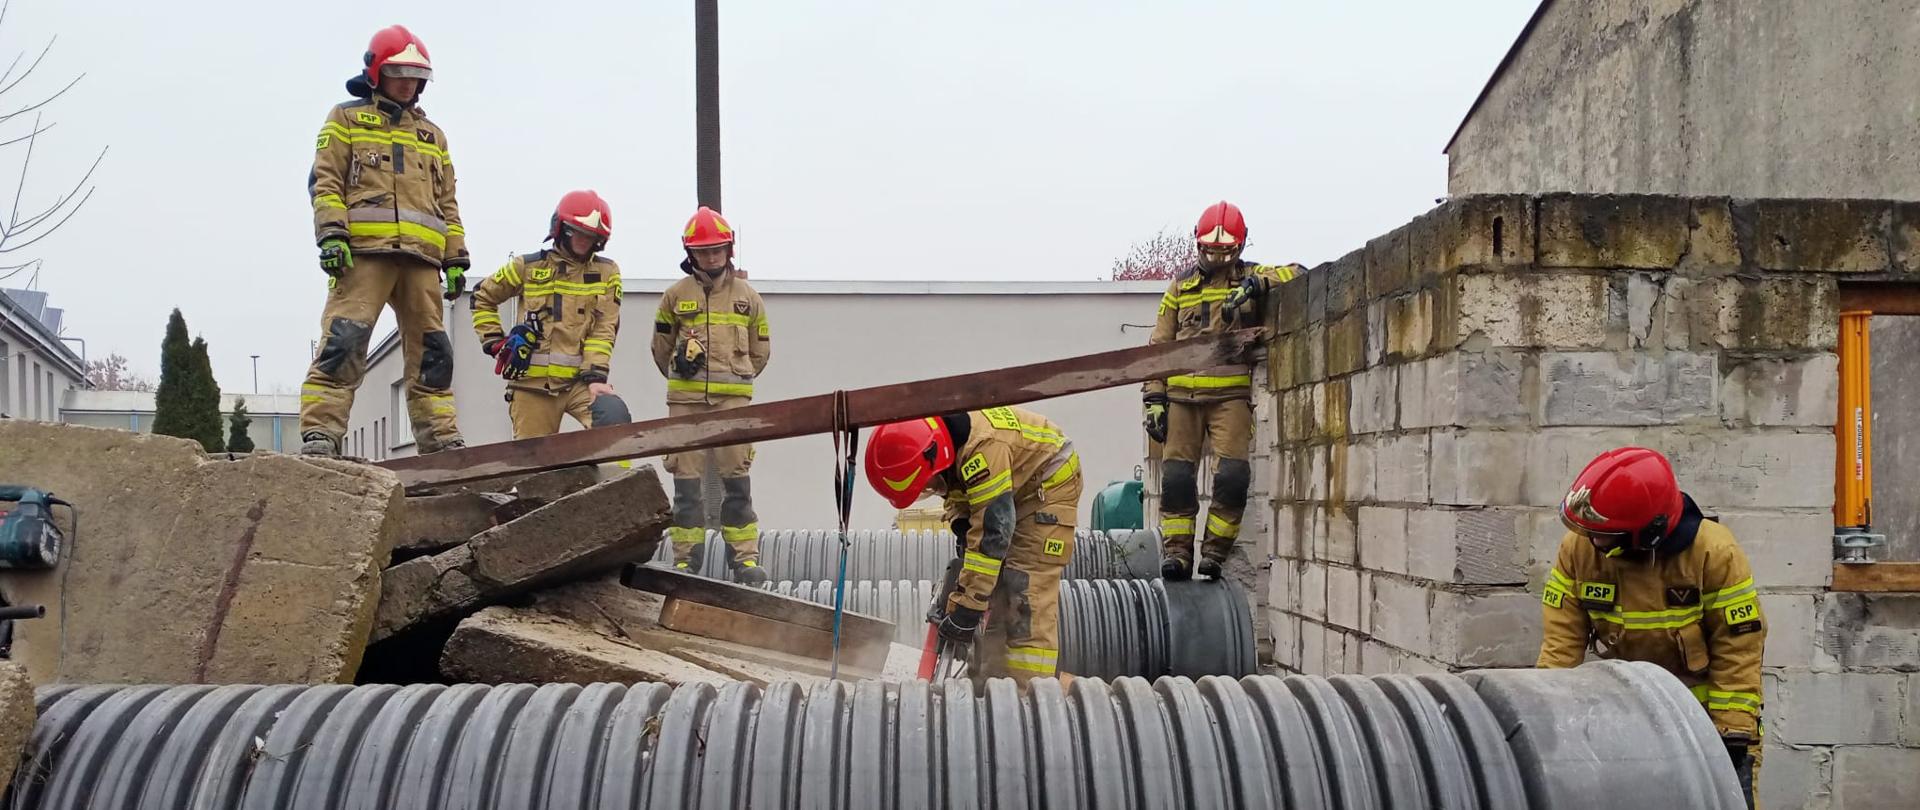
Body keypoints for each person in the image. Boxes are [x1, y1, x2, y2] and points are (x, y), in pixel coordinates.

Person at [1538, 446, 1765, 807]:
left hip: (1703, 724)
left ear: (1650, 532)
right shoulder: (1579, 550)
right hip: (1627, 721)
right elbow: (1560, 646)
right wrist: (1544, 718)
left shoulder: (1714, 552)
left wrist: (1732, 737)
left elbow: (1738, 650)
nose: (1594, 541)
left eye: (1606, 534)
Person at [299, 24, 469, 457]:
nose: (408, 83)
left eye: (416, 75)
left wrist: (455, 257)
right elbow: (326, 182)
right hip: (363, 256)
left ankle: (440, 439)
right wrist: (331, 235)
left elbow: (447, 202)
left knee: (433, 353)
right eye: (399, 73)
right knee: (344, 341)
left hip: (422, 261)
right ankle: (321, 433)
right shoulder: (346, 119)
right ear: (376, 72)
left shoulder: (433, 135)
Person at [866, 406, 1081, 685]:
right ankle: (990, 681)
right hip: (1016, 486)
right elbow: (960, 494)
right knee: (995, 588)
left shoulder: (983, 451)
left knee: (1023, 590)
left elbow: (993, 533)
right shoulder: (950, 448)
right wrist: (963, 531)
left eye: (930, 484)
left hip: (1048, 485)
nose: (933, 489)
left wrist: (968, 606)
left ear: (934, 457)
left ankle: (1029, 691)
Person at [1143, 201, 1299, 580]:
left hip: (1230, 398)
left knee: (1232, 478)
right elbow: (1159, 346)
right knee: (1177, 480)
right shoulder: (1180, 287)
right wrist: (1154, 399)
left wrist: (1257, 286)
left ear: (1240, 247)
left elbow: (1298, 273)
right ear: (1198, 244)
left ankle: (1214, 552)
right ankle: (1177, 553)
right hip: (1182, 399)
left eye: (1225, 252)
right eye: (1210, 251)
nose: (1216, 259)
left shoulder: (1250, 276)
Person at [652, 207, 771, 584]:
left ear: (728, 250)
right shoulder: (675, 296)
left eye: (717, 249)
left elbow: (761, 351)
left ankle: (745, 561)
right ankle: (686, 560)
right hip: (685, 405)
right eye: (704, 251)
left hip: (733, 405)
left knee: (737, 484)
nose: (711, 257)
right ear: (691, 254)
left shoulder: (748, 297)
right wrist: (681, 374)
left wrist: (736, 381)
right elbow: (660, 348)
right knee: (686, 487)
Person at [470, 190, 623, 437]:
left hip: (580, 383)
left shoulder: (607, 272)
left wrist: (596, 377)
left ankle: (602, 465)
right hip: (532, 385)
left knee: (614, 422)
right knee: (532, 457)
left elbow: (604, 328)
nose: (584, 241)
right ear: (561, 228)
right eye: (578, 232)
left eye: (591, 236)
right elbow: (482, 297)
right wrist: (495, 341)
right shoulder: (527, 266)